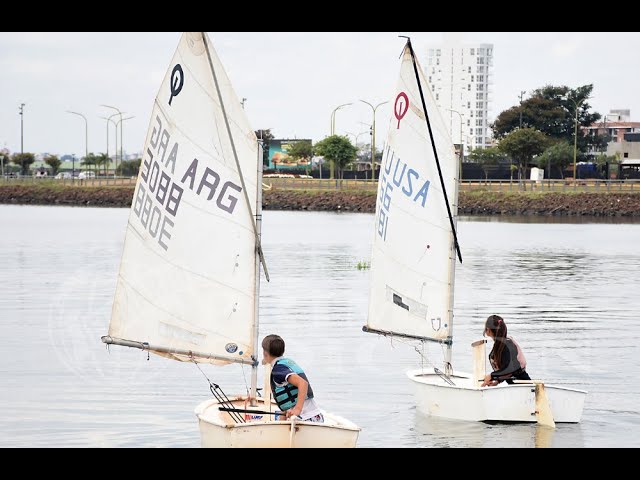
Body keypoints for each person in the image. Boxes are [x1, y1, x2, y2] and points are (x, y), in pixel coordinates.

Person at [261, 334, 324, 423]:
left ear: (265, 353)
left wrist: (297, 409)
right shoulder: (287, 363)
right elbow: (287, 404)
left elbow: (303, 383)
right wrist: (281, 423)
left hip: (304, 419)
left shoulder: (278, 370)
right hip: (316, 416)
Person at [480, 314, 531, 387]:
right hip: (515, 386)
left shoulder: (507, 345)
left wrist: (491, 375)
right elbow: (506, 368)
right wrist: (496, 382)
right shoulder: (499, 344)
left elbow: (509, 369)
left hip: (523, 385)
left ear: (488, 329)